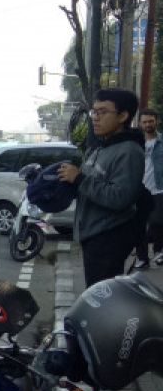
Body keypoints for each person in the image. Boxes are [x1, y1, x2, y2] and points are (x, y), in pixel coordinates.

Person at [58, 88, 147, 287]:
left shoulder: (129, 151)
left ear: (123, 115)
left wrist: (80, 179)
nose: (95, 118)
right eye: (94, 112)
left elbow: (121, 197)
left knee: (101, 295)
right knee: (96, 291)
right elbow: (90, 186)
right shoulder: (100, 147)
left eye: (103, 112)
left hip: (109, 237)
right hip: (93, 234)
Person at [134, 109, 163, 269]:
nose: (148, 124)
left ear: (156, 121)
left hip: (159, 188)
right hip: (139, 189)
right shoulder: (137, 143)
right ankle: (142, 257)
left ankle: (159, 251)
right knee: (139, 225)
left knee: (158, 222)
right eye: (145, 122)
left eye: (151, 121)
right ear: (140, 124)